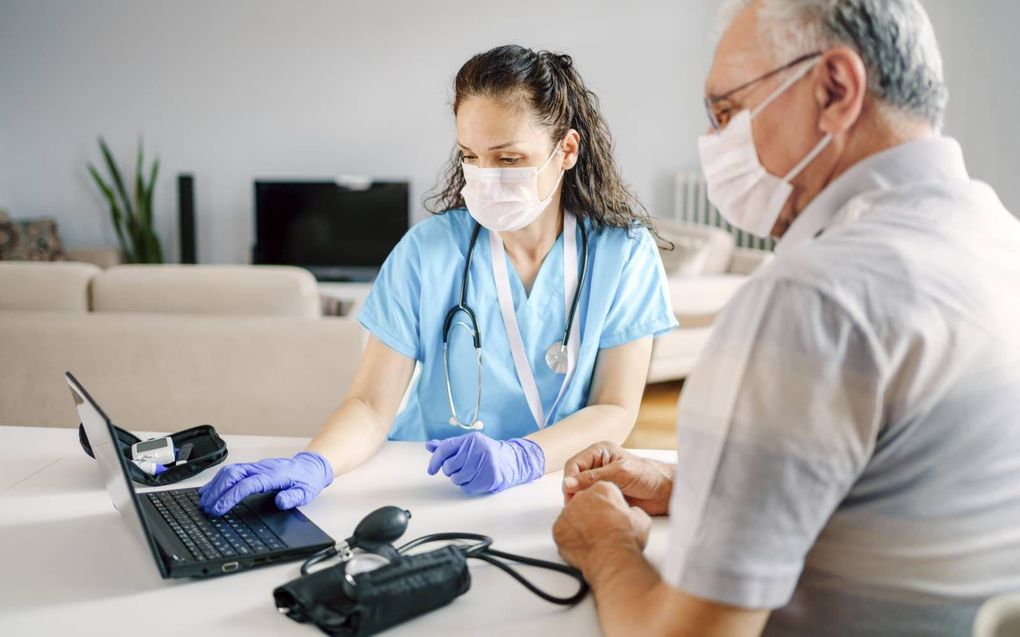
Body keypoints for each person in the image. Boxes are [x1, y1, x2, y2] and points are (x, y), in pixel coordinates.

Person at [552, 1, 1020, 636]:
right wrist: (693, 485)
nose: (715, 146)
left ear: (834, 89)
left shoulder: (812, 298)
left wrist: (605, 543)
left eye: (727, 113)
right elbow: (907, 496)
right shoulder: (1000, 244)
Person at [199, 44, 676, 515]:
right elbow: (369, 403)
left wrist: (523, 457)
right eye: (471, 156)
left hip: (555, 484)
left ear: (566, 149)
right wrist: (313, 463)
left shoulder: (624, 255)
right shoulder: (428, 251)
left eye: (508, 159)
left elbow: (615, 407)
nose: (486, 177)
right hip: (426, 485)